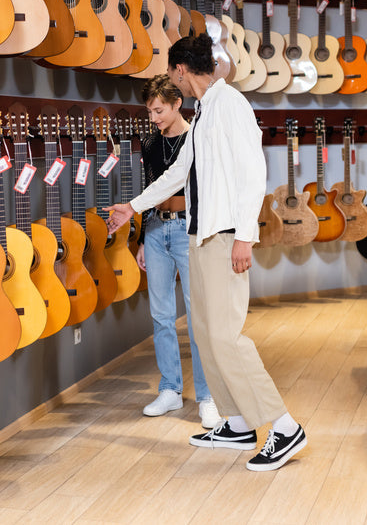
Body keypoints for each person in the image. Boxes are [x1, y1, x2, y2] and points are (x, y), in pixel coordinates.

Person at [105, 34, 306, 472]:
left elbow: (255, 171)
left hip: (225, 236)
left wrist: (244, 236)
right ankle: (236, 422)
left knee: (227, 337)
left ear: (179, 71)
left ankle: (285, 427)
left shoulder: (230, 105)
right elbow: (179, 173)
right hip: (201, 237)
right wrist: (133, 207)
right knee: (205, 333)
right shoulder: (205, 112)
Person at [137, 75, 220, 428]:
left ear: (175, 104)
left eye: (158, 110)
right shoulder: (149, 143)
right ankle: (170, 389)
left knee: (198, 315)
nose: (153, 117)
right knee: (161, 315)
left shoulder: (198, 138)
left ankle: (207, 396)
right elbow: (149, 188)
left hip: (188, 229)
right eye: (149, 111)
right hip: (156, 229)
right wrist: (142, 237)